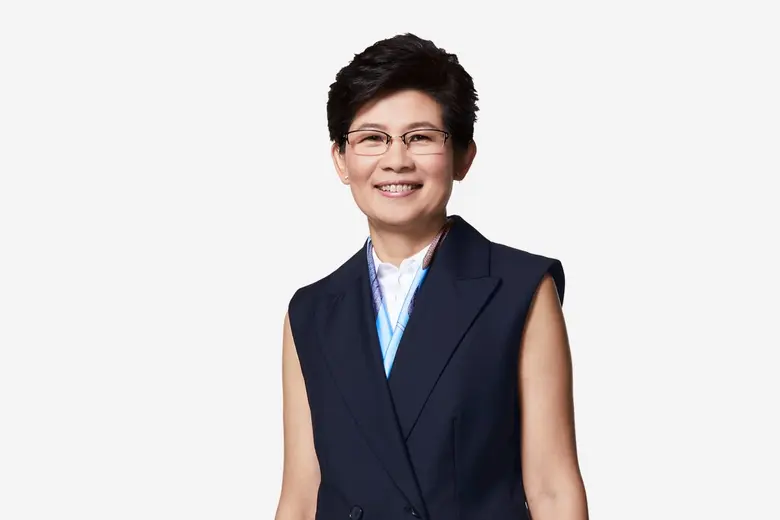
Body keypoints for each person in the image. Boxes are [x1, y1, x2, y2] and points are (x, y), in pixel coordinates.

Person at [275, 33, 588, 520]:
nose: (396, 160)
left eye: (420, 137)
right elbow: (299, 496)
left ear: (463, 156)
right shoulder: (312, 311)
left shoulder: (520, 289)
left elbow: (552, 489)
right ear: (340, 158)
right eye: (372, 138)